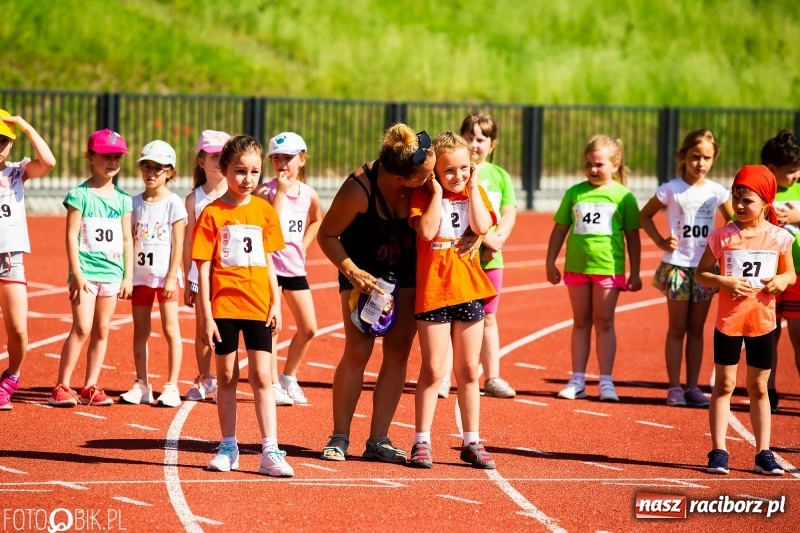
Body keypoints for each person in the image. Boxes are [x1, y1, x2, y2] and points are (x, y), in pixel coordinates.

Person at [316, 123, 434, 463]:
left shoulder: (424, 180)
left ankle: (379, 438)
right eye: (425, 176)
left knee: (397, 355)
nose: (431, 179)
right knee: (357, 352)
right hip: (362, 276)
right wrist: (352, 272)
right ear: (402, 179)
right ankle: (339, 436)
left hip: (407, 272)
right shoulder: (358, 189)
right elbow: (327, 236)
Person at [191, 134, 293, 477]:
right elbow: (203, 269)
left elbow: (269, 262)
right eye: (239, 171)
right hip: (224, 308)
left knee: (263, 376)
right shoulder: (212, 214)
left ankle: (270, 451)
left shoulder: (264, 211)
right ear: (223, 169)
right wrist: (206, 315)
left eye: (253, 171)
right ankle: (229, 446)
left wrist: (276, 303)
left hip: (259, 306)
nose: (246, 179)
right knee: (228, 376)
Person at [696, 165, 795, 476]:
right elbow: (702, 274)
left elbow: (790, 273)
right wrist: (723, 282)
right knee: (724, 384)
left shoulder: (780, 238)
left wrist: (783, 280)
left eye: (747, 199)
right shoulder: (722, 237)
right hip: (728, 322)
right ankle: (719, 450)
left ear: (765, 202)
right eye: (735, 197)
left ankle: (763, 452)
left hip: (762, 323)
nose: (739, 205)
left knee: (759, 387)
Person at [407, 132, 497, 469]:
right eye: (449, 171)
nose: (457, 176)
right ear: (434, 173)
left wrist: (472, 189)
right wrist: (435, 193)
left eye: (464, 168)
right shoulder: (422, 195)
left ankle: (471, 440)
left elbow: (483, 224)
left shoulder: (474, 191)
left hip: (469, 289)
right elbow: (428, 231)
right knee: (432, 369)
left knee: (469, 370)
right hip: (434, 292)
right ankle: (421, 440)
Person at [639, 130, 733, 407]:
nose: (700, 163)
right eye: (695, 157)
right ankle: (674, 387)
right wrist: (660, 240)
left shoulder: (717, 192)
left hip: (703, 268)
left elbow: (732, 224)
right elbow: (644, 214)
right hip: (678, 265)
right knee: (677, 328)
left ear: (714, 159)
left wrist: (722, 252)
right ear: (683, 156)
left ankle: (693, 386)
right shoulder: (671, 189)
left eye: (707, 158)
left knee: (696, 328)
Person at [545, 135, 642, 402]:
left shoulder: (623, 196)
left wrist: (635, 271)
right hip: (576, 267)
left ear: (615, 164)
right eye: (588, 164)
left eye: (599, 164)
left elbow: (633, 236)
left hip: (608, 268)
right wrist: (550, 260)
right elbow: (560, 228)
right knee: (580, 321)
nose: (593, 169)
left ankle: (606, 382)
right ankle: (577, 379)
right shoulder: (574, 193)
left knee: (604, 322)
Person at [49, 129, 134, 407]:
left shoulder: (123, 199)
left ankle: (90, 386)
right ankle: (61, 386)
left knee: (102, 329)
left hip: (112, 273)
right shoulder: (79, 195)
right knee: (82, 327)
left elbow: (125, 239)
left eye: (117, 157)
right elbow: (71, 236)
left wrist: (127, 276)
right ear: (90, 157)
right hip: (85, 273)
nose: (112, 162)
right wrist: (76, 274)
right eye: (106, 156)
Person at [119, 141, 187, 407]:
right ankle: (142, 383)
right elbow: (128, 238)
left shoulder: (173, 203)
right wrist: (127, 275)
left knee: (171, 329)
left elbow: (179, 243)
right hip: (140, 278)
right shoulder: (133, 203)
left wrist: (172, 276)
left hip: (164, 278)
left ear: (170, 171)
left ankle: (171, 385)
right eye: (147, 167)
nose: (152, 173)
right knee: (141, 330)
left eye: (159, 168)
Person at [255, 132, 321, 406]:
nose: (282, 163)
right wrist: (280, 193)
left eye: (288, 158)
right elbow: (269, 224)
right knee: (273, 328)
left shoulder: (309, 194)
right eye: (277, 158)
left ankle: (288, 377)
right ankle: (271, 385)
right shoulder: (265, 192)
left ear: (302, 160)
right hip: (270, 268)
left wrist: (304, 245)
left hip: (294, 269)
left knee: (309, 328)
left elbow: (317, 221)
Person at [456, 112, 518, 399]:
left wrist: (499, 238)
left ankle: (492, 377)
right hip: (460, 256)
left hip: (492, 259)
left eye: (480, 139)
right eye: (468, 137)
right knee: (454, 319)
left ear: (492, 144)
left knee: (489, 318)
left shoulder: (500, 176)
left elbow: (509, 211)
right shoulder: (455, 172)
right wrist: (483, 238)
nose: (474, 143)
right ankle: (445, 378)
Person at [0, 110, 56, 410]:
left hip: (10, 260)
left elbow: (48, 162)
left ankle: (11, 377)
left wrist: (23, 126)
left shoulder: (16, 172)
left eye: (3, 140)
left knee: (18, 330)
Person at [183, 130, 230, 401]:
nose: (218, 162)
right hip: (201, 274)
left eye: (223, 156)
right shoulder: (194, 199)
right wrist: (187, 277)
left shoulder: (237, 194)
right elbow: (190, 244)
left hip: (231, 273)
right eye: (213, 156)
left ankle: (225, 378)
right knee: (203, 327)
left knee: (229, 327)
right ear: (201, 161)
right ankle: (205, 378)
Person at [762, 131, 800, 413]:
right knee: (768, 335)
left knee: (798, 336)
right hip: (768, 276)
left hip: (798, 274)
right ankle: (769, 389)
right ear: (773, 170)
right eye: (792, 171)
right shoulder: (761, 189)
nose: (796, 176)